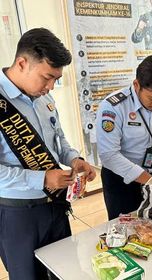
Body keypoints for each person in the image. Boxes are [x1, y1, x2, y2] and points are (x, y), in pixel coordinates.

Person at [0, 28, 96, 280]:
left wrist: (75, 159)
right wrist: (41, 179)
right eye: (47, 77)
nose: (51, 86)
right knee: (27, 276)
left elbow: (59, 140)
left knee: (62, 271)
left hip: (55, 205)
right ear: (22, 63)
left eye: (56, 79)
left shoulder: (43, 98)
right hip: (19, 213)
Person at [97, 54, 152, 220]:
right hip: (121, 181)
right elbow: (109, 155)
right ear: (136, 85)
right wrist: (148, 180)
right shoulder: (113, 107)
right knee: (126, 231)